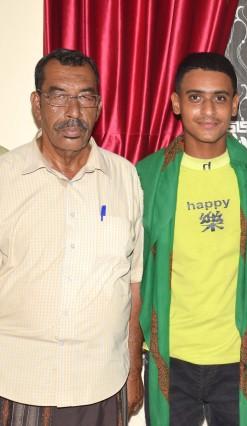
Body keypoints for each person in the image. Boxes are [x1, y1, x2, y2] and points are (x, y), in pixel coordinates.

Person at [0, 48, 143, 425]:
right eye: (59, 96)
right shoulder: (5, 178)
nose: (73, 111)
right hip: (18, 383)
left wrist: (133, 370)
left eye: (85, 97)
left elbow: (133, 283)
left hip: (102, 384)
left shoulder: (124, 177)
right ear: (38, 103)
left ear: (99, 104)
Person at [136, 52, 247, 426]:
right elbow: (133, 272)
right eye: (195, 97)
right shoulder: (148, 177)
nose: (208, 110)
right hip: (171, 357)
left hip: (237, 357)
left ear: (235, 104)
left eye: (220, 98)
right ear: (176, 103)